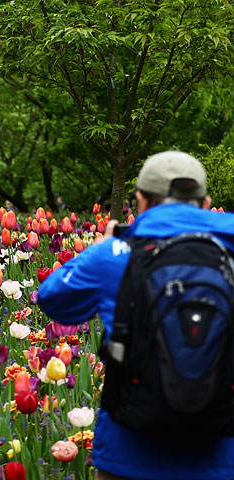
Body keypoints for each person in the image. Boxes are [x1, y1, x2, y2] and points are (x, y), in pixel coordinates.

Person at [38, 151, 234, 480]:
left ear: (140, 200)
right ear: (206, 202)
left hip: (128, 452)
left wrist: (103, 247)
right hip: (221, 454)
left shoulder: (116, 253)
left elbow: (52, 299)